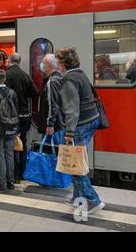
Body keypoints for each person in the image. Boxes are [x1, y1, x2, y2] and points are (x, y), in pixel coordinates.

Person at [55, 47, 105, 214]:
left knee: (75, 165)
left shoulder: (68, 79)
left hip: (80, 125)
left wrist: (69, 133)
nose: (57, 65)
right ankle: (78, 198)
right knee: (78, 160)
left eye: (58, 61)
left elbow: (71, 108)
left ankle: (93, 200)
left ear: (63, 63)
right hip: (92, 120)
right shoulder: (80, 73)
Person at [5, 53, 38, 182]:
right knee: (22, 143)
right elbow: (35, 92)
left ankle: (14, 175)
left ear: (9, 61)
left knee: (12, 145)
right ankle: (22, 173)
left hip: (14, 116)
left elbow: (6, 96)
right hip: (26, 116)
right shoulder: (25, 75)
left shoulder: (8, 75)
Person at [37, 54, 64, 144]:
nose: (42, 65)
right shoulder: (60, 77)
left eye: (43, 63)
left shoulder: (51, 81)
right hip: (59, 123)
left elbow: (52, 103)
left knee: (50, 152)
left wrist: (50, 124)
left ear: (48, 65)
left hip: (54, 126)